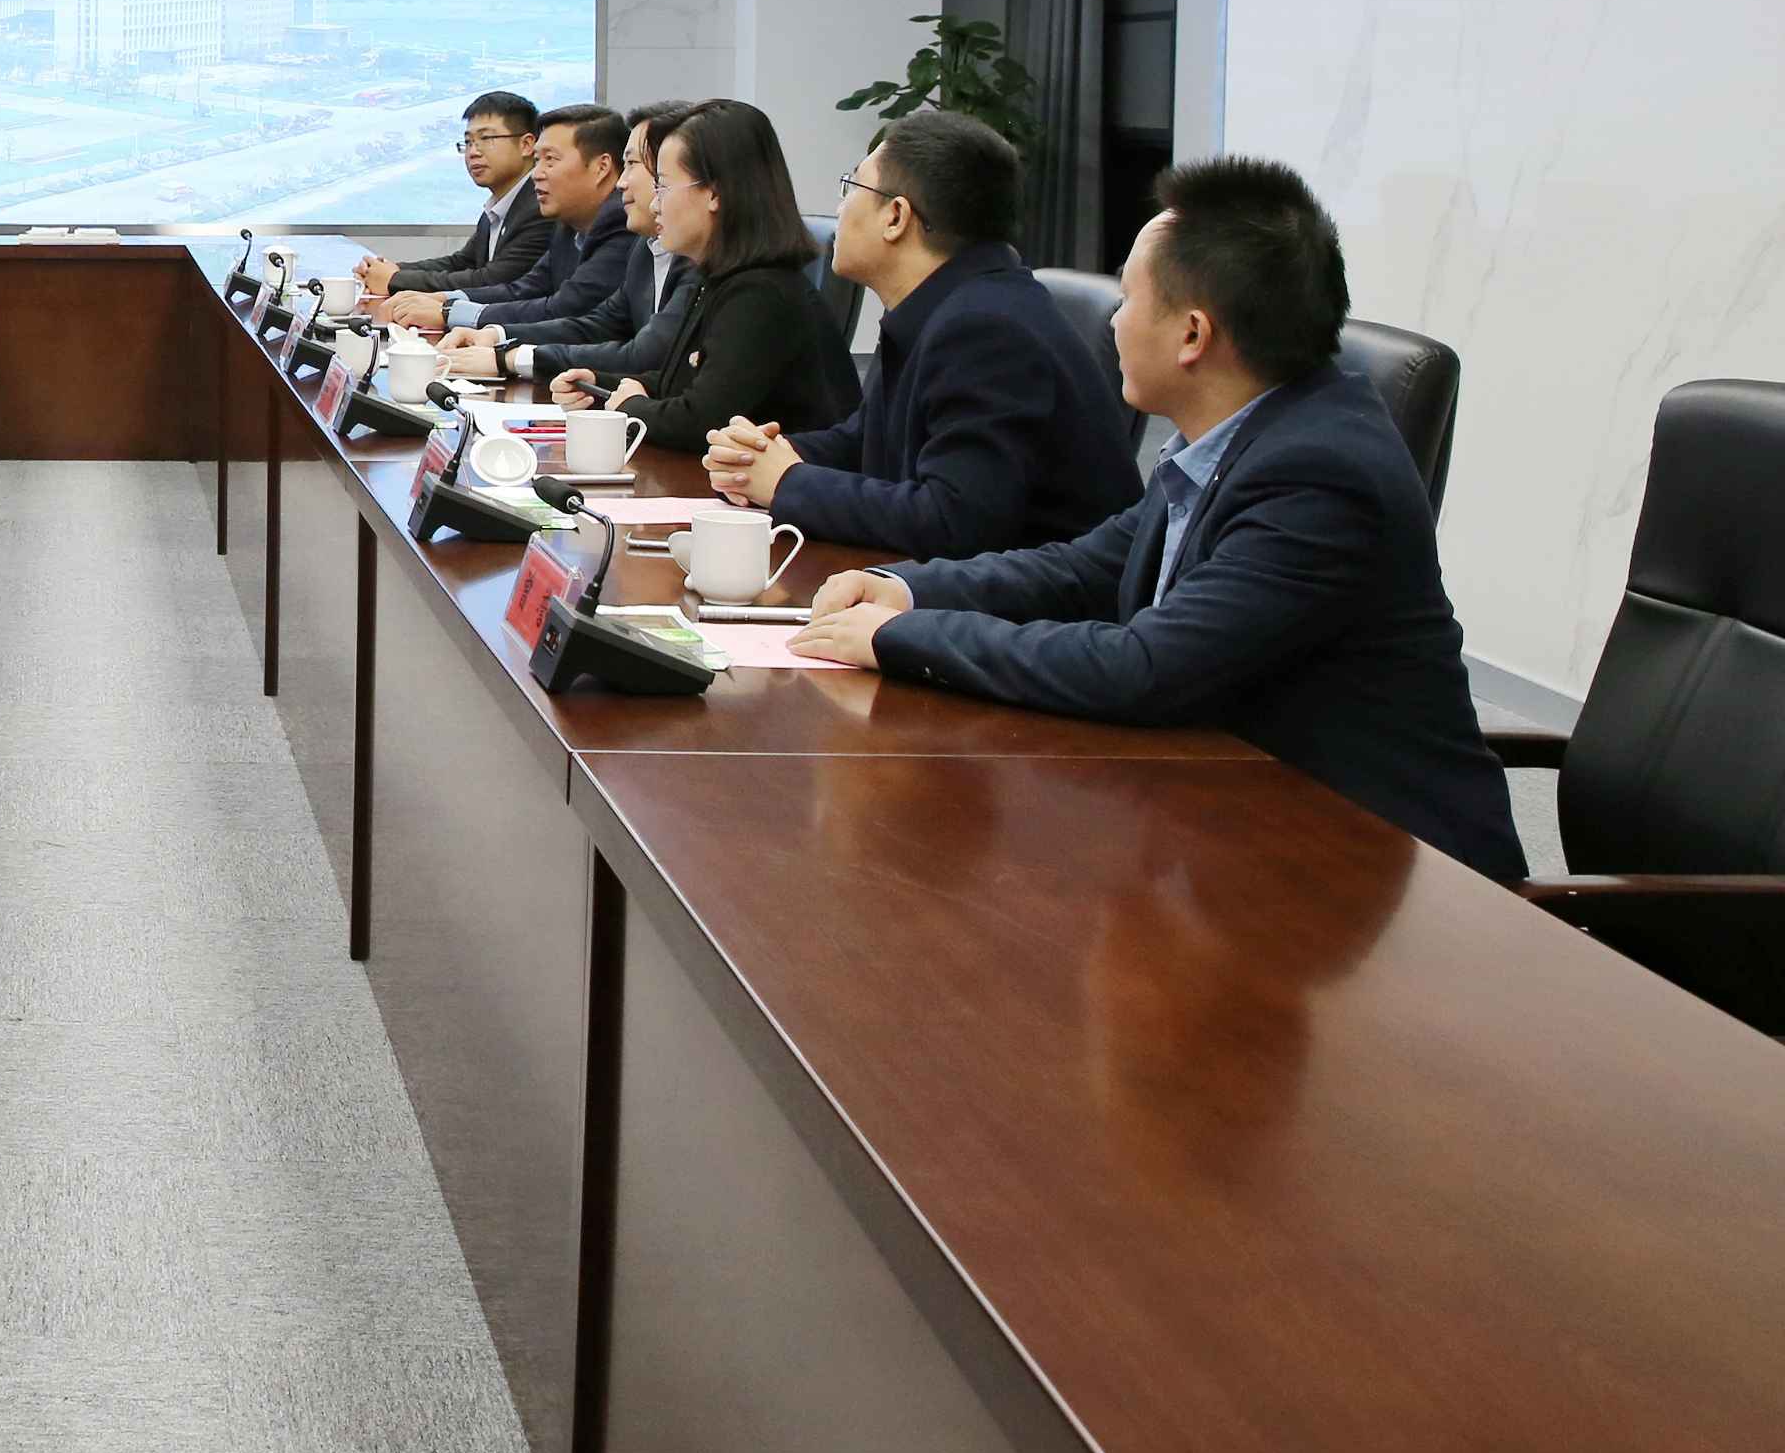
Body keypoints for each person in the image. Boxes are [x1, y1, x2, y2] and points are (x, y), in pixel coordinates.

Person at [790, 157, 1526, 880]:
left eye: (1129, 299)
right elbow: (1085, 568)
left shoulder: (1318, 475)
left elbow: (1145, 668)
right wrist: (908, 589)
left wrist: (900, 639)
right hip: (1244, 812)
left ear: (1193, 335)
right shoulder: (1240, 437)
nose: (1113, 321)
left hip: (1390, 868)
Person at [703, 111, 1140, 558]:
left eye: (851, 187)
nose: (840, 208)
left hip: (1033, 596)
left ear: (895, 216)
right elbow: (867, 442)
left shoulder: (985, 329)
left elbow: (953, 519)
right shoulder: (944, 305)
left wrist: (787, 482)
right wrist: (761, 456)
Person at [551, 98, 854, 457]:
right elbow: (684, 382)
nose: (655, 204)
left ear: (715, 192)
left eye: (663, 187)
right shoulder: (719, 278)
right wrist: (600, 385)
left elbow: (702, 421)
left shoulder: (761, 294)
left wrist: (629, 407)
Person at [441, 101, 696, 387]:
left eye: (632, 165)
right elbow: (599, 323)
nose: (621, 182)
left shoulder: (689, 256)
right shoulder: (642, 244)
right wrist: (496, 335)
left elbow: (643, 353)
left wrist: (509, 357)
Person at [381, 104, 631, 334]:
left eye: (550, 160)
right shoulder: (568, 222)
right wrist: (444, 299)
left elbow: (562, 308)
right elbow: (526, 288)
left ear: (601, 167)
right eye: (538, 160)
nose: (537, 174)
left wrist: (448, 312)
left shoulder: (621, 222)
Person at [353, 90, 550, 301]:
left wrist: (395, 279)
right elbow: (462, 262)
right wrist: (389, 270)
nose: (473, 152)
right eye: (468, 142)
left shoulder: (541, 205)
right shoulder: (501, 204)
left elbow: (492, 281)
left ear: (526, 145)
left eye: (486, 138)